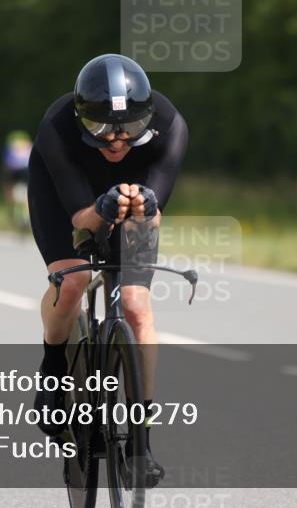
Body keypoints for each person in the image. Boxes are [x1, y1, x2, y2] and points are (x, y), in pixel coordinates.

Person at [28, 54, 188, 486]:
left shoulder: (171, 125)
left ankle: (142, 444)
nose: (116, 141)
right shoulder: (58, 126)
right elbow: (81, 220)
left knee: (136, 307)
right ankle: (54, 366)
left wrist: (148, 205)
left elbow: (153, 217)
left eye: (128, 130)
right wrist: (99, 209)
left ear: (147, 120)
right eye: (101, 130)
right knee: (75, 275)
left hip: (136, 191)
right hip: (69, 194)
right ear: (82, 120)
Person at [2, 130, 33, 228]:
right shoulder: (28, 144)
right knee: (27, 194)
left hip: (14, 171)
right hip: (26, 169)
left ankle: (17, 214)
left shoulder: (10, 146)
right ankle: (26, 216)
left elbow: (7, 163)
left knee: (10, 189)